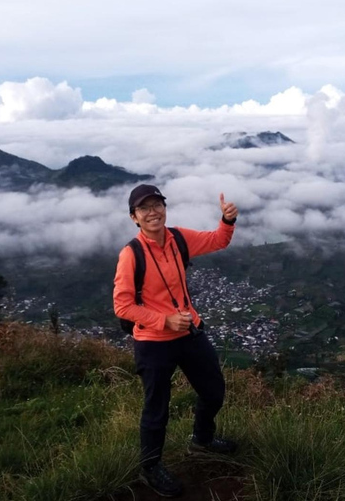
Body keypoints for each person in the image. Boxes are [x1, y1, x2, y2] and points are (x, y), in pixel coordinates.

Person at [113, 183, 239, 498]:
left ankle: (202, 439)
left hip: (189, 331)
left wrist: (227, 221)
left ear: (165, 209)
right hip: (153, 340)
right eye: (144, 208)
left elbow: (217, 241)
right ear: (134, 218)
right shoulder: (131, 255)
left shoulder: (178, 239)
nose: (152, 212)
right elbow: (122, 305)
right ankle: (151, 465)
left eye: (157, 205)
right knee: (157, 407)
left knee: (213, 390)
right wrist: (163, 320)